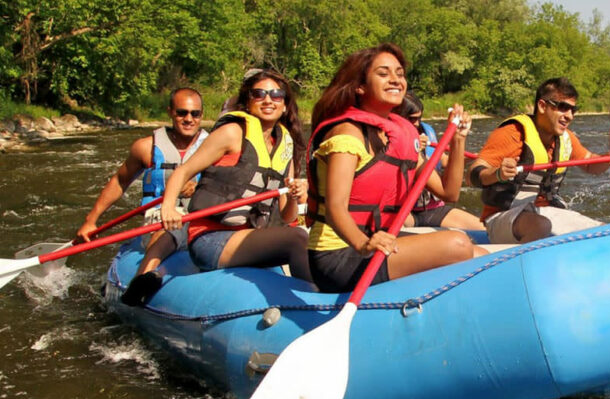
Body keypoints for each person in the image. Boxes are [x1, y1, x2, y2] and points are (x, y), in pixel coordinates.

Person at [305, 43, 480, 293]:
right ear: (360, 86)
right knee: (458, 244)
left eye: (399, 73)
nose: (396, 80)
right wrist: (364, 243)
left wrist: (459, 140)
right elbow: (335, 209)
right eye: (383, 74)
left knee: (480, 253)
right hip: (339, 254)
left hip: (378, 241)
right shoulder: (348, 134)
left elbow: (449, 193)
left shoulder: (400, 135)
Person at [160, 69, 311, 283]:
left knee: (303, 239)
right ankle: (313, 303)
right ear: (247, 102)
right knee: (298, 238)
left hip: (249, 237)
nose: (268, 100)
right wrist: (168, 207)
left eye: (276, 95)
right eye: (259, 94)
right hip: (210, 239)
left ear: (285, 105)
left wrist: (296, 196)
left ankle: (312, 297)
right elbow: (183, 171)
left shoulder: (285, 146)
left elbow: (287, 217)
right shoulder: (232, 133)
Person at [75, 87, 209, 306]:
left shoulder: (216, 147)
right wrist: (91, 220)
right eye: (182, 112)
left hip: (199, 217)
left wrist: (201, 185)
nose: (189, 119)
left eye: (195, 114)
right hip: (159, 218)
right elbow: (120, 181)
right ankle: (144, 278)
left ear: (201, 115)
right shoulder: (145, 147)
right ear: (170, 112)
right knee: (170, 228)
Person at [468, 77, 609, 244]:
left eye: (573, 110)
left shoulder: (566, 138)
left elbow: (590, 164)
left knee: (603, 230)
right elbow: (472, 175)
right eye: (563, 108)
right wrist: (497, 173)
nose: (569, 116)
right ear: (542, 106)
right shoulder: (513, 133)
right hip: (503, 218)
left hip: (544, 213)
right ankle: (518, 267)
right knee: (541, 225)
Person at [395, 91, 485, 231]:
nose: (417, 124)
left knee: (485, 228)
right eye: (412, 119)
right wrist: (413, 149)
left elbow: (443, 160)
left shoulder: (425, 131)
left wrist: (469, 153)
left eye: (419, 118)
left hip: (432, 209)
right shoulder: (384, 141)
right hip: (405, 213)